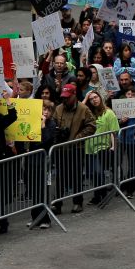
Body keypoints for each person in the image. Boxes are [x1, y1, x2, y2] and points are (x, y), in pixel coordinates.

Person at [51, 84, 97, 213]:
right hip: (61, 148)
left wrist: (79, 137)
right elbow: (53, 123)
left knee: (76, 176)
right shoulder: (59, 108)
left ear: (74, 95)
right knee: (60, 177)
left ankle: (78, 202)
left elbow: (92, 126)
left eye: (67, 97)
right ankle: (57, 204)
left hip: (76, 147)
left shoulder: (83, 109)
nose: (65, 100)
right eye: (63, 97)